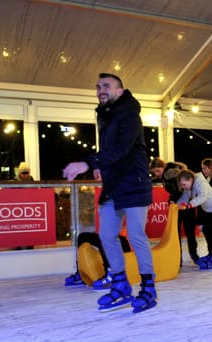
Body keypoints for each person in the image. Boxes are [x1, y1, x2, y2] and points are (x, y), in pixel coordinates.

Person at [62, 72, 157, 314]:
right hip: (114, 185)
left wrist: (88, 162)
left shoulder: (129, 115)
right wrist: (97, 165)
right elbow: (109, 150)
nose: (100, 90)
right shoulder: (106, 116)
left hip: (134, 184)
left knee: (136, 235)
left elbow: (122, 149)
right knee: (106, 235)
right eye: (97, 86)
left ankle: (148, 287)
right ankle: (121, 283)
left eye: (106, 86)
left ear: (120, 91)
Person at [175, 169, 212, 269]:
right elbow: (184, 197)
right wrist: (176, 206)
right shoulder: (190, 187)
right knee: (208, 231)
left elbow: (203, 197)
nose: (183, 187)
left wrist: (189, 205)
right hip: (209, 210)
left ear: (189, 180)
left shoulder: (201, 183)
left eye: (184, 184)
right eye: (182, 185)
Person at [162, 162, 201, 266]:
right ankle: (179, 257)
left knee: (190, 232)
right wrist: (171, 199)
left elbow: (179, 193)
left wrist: (172, 199)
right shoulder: (166, 179)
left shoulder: (177, 177)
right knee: (177, 233)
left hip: (186, 207)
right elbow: (174, 193)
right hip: (177, 208)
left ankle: (193, 255)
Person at [64, 233, 130, 290]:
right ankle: (81, 273)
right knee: (82, 236)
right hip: (109, 235)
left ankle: (109, 274)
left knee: (104, 238)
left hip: (120, 240)